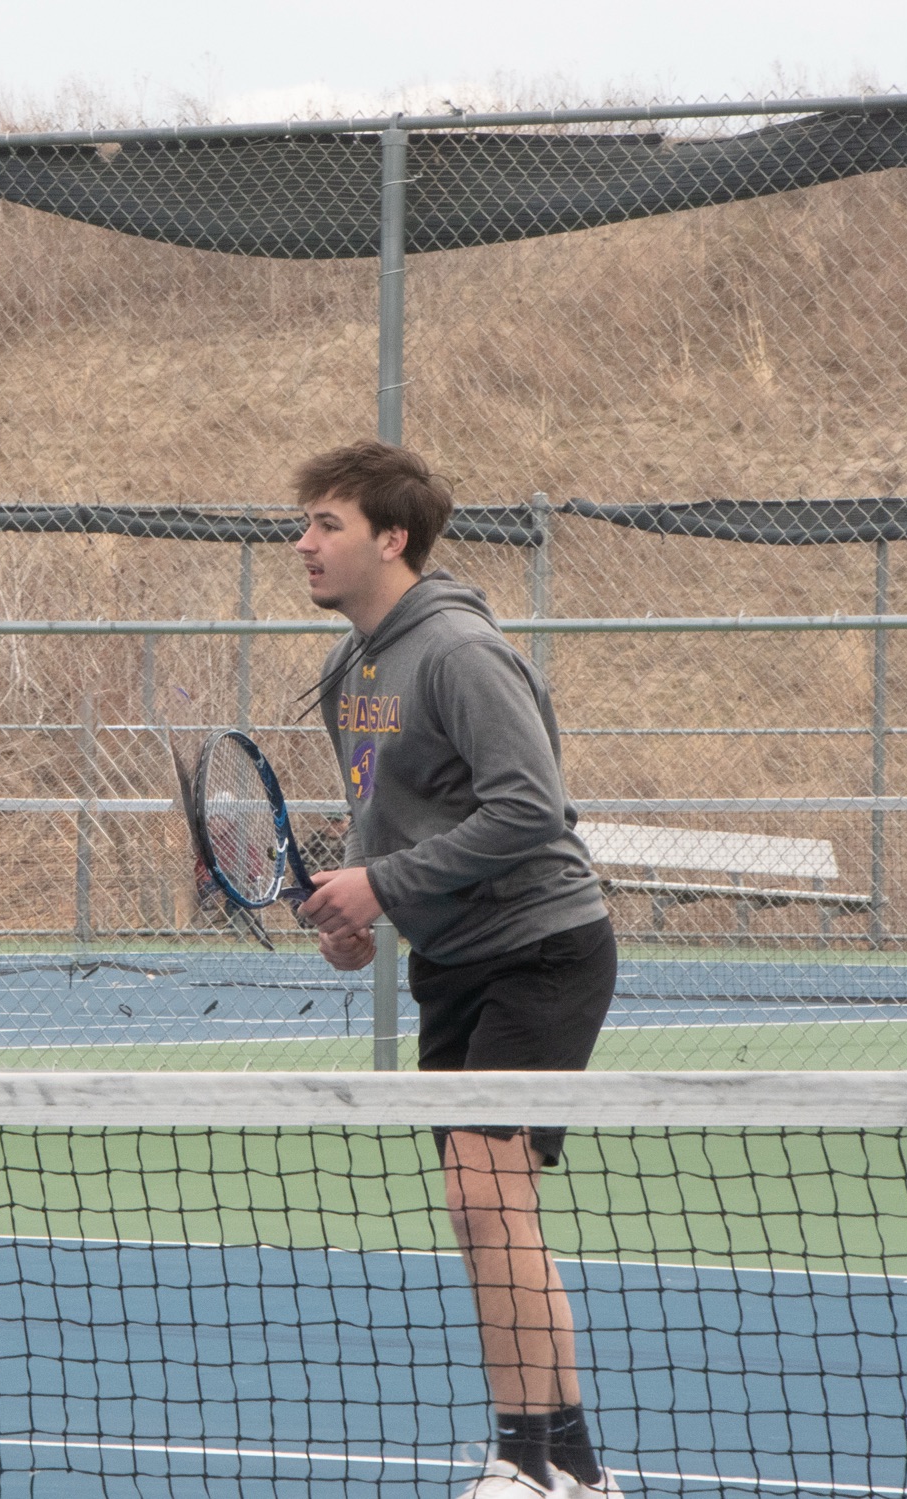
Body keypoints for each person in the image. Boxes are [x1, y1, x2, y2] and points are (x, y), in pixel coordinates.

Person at [290, 442, 619, 1499]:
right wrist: (362, 911)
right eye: (303, 522)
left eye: (326, 523)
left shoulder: (460, 653)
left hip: (542, 947)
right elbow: (393, 814)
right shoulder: (351, 666)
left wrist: (380, 884)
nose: (303, 542)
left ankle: (529, 1458)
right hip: (453, 961)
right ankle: (564, 1460)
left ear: (391, 538)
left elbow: (530, 808)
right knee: (482, 1206)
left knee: (487, 1197)